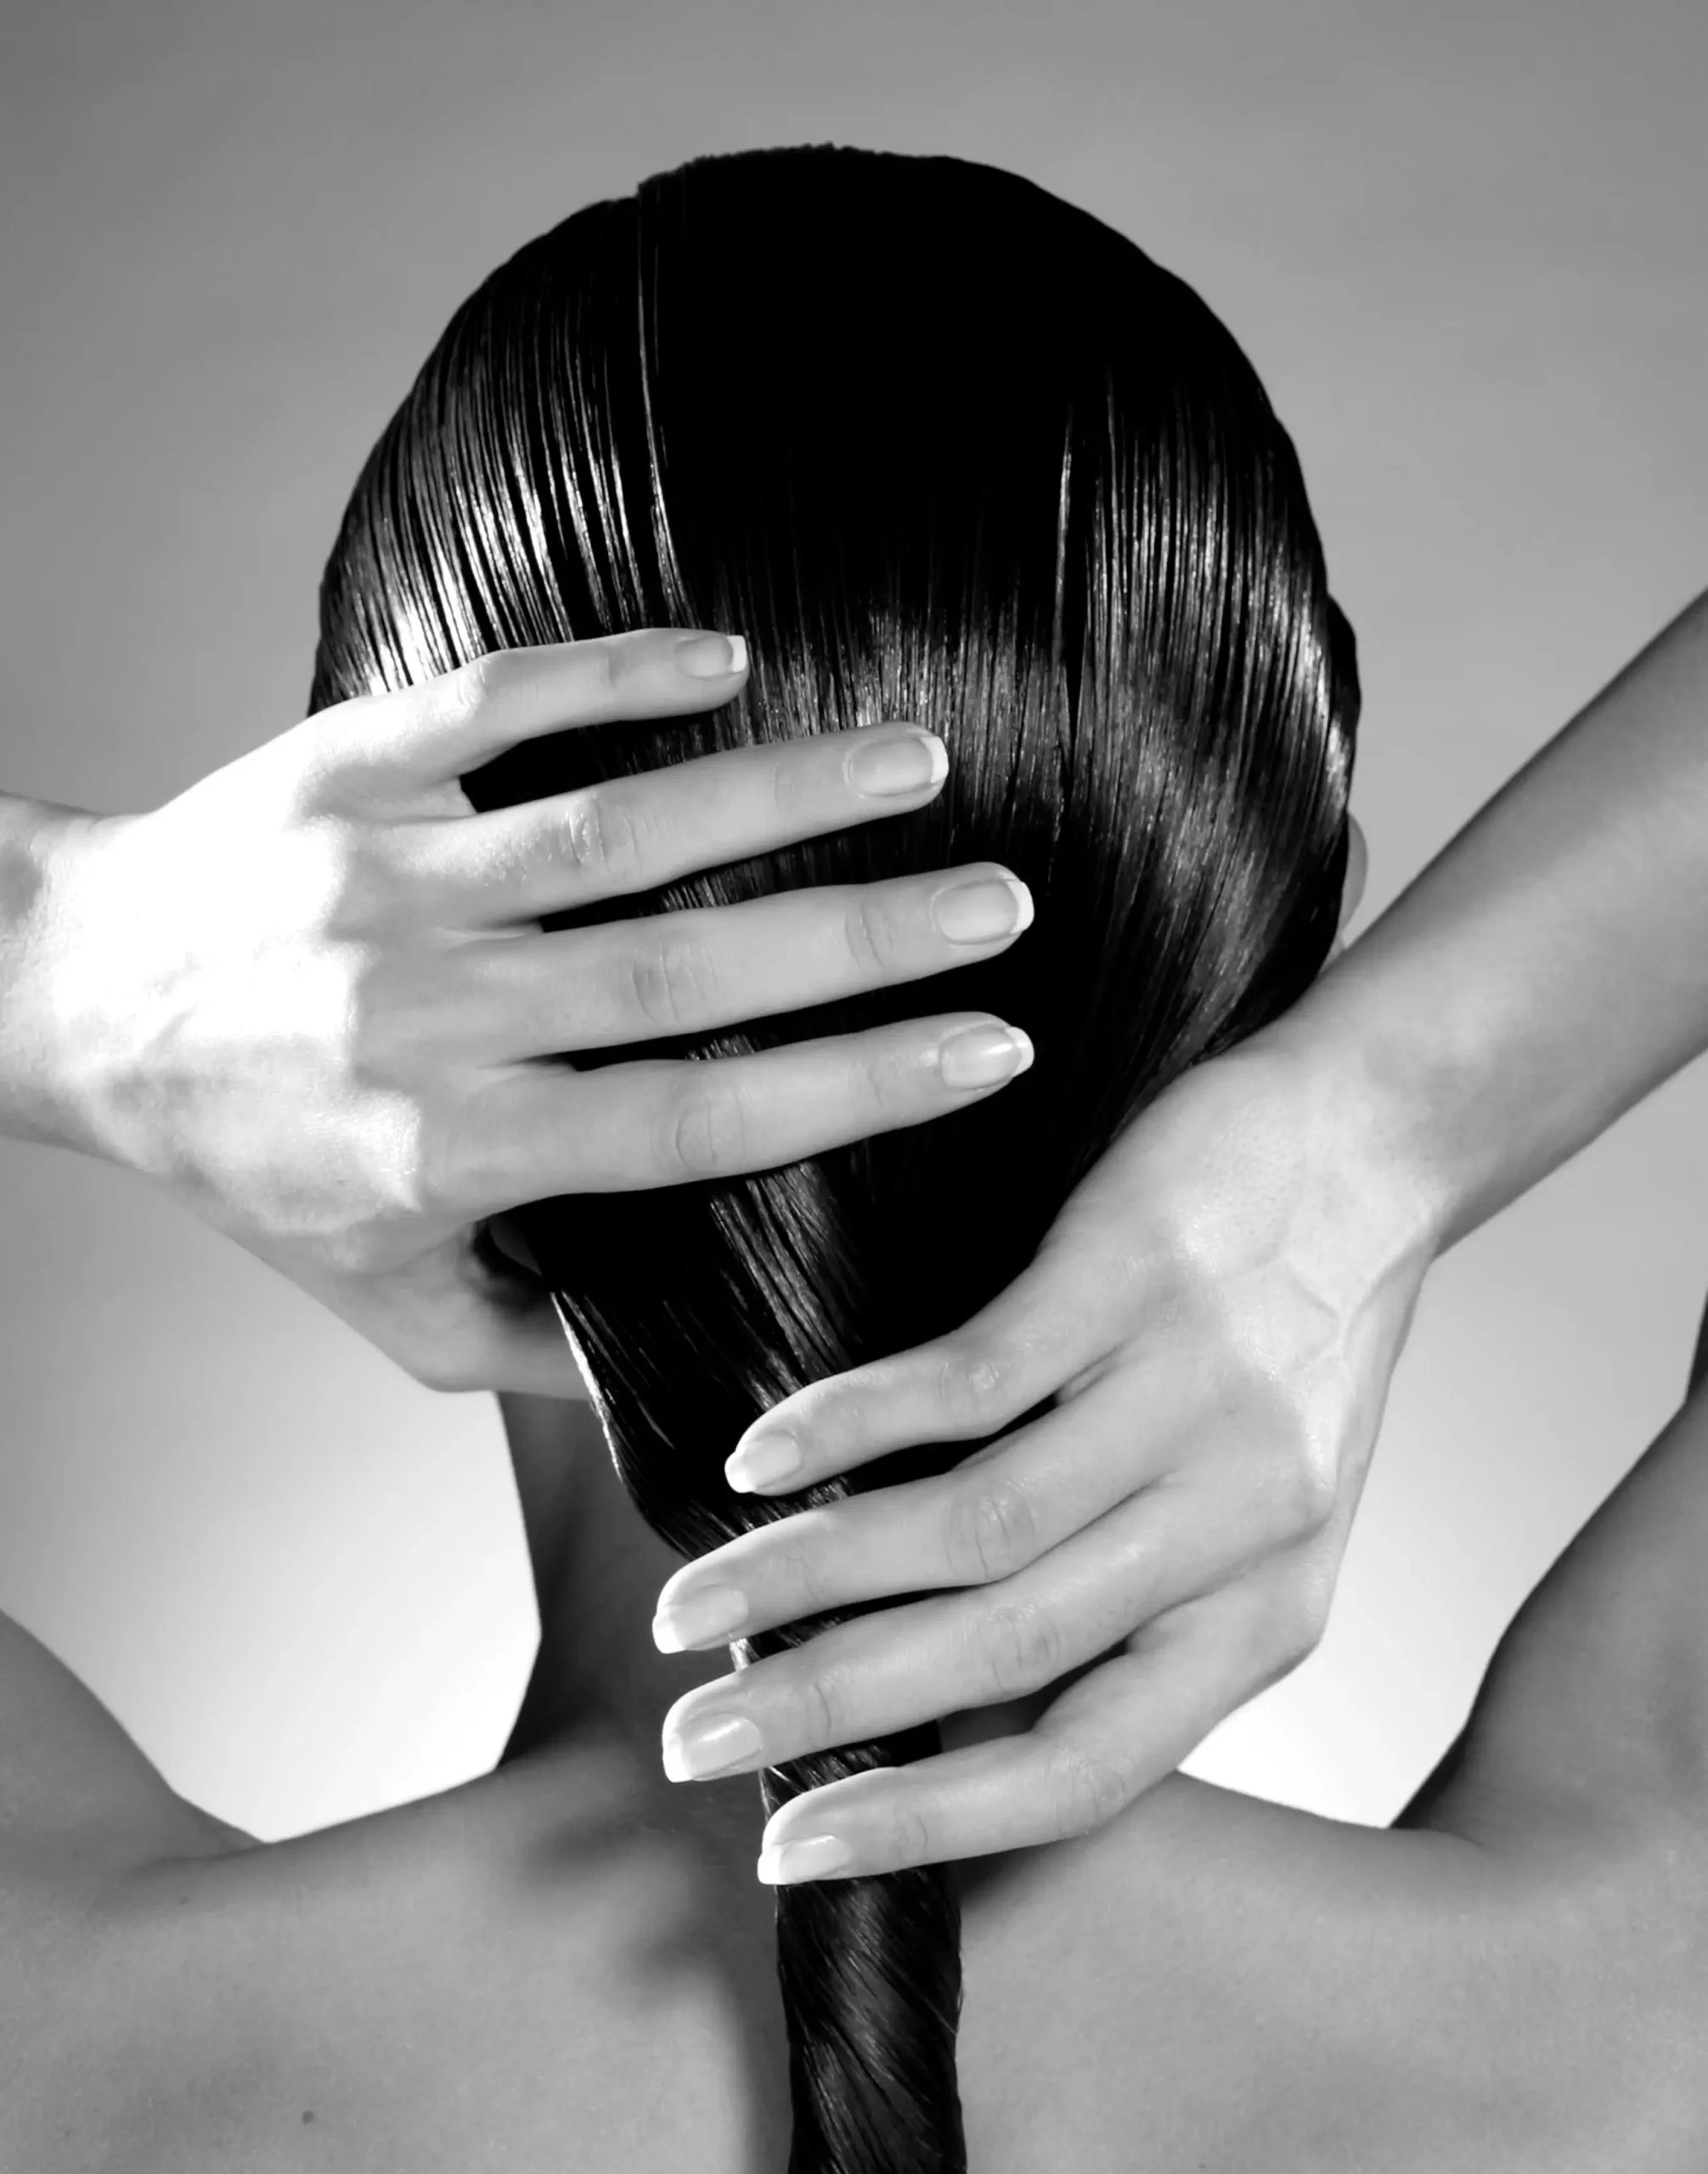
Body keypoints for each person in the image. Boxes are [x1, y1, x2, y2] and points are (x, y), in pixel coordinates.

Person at [1, 141, 1705, 2171]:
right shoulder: (1633, 1991)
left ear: (349, 984)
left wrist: (69, 960)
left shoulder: (56, 2021)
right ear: (1300, 926)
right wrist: (1402, 1104)